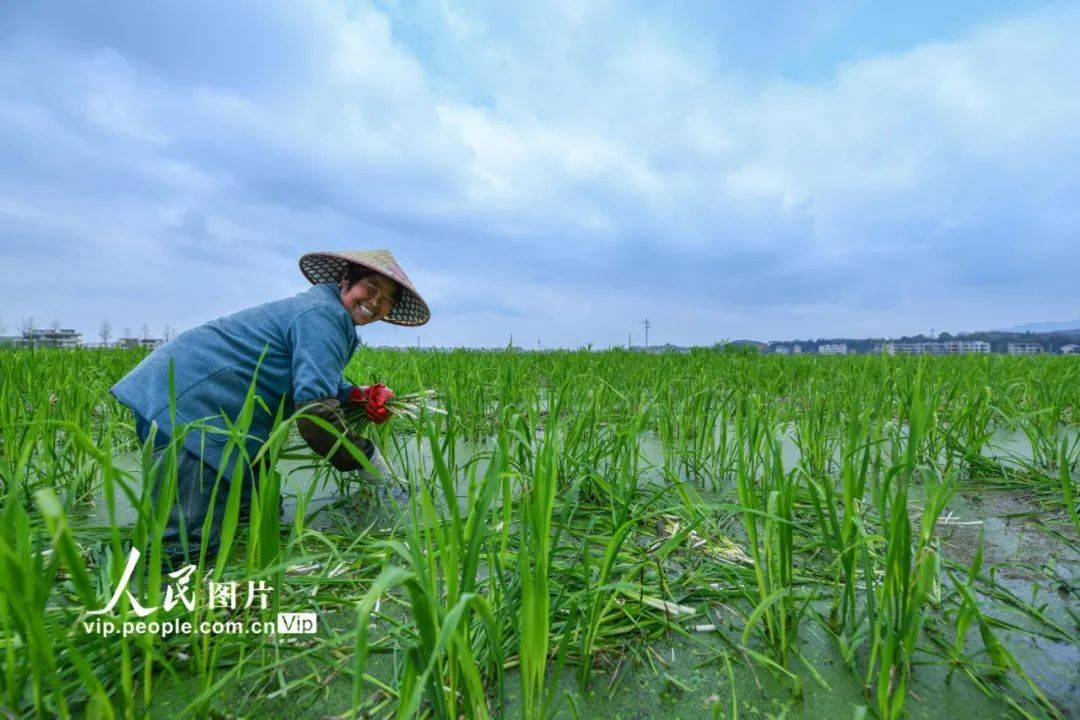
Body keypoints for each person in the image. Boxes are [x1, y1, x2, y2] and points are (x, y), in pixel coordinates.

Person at [110, 249, 430, 561]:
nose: (375, 302)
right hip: (192, 410)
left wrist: (355, 396)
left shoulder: (322, 312)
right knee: (184, 545)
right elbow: (314, 415)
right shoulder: (325, 315)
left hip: (221, 416)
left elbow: (304, 378)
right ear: (346, 280)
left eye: (386, 298)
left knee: (259, 512)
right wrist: (368, 460)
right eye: (370, 288)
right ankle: (147, 595)